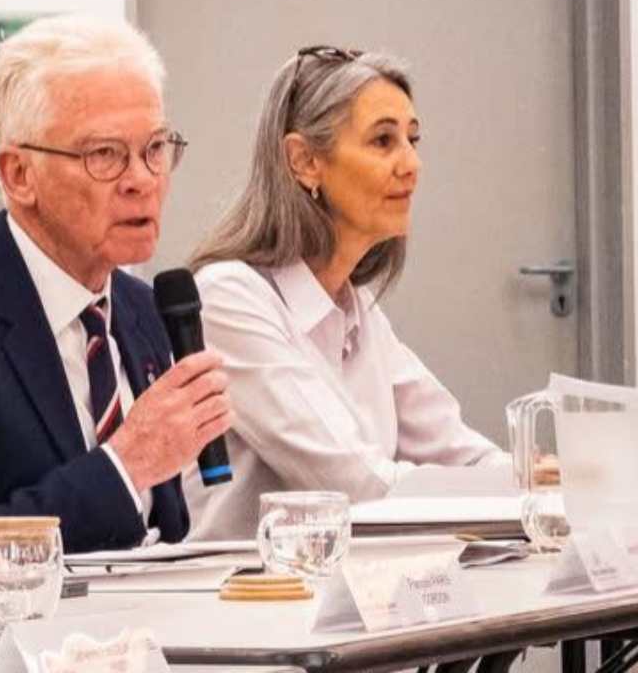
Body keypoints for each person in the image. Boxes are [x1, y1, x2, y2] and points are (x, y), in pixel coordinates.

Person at [0, 15, 233, 553]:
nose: (142, 180)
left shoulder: (143, 309)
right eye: (104, 154)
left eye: (155, 148)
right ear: (17, 175)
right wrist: (123, 466)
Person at [183, 47, 509, 541]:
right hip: (237, 597)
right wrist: (521, 497)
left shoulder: (356, 308)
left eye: (413, 139)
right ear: (305, 161)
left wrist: (542, 481)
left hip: (330, 588)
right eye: (383, 140)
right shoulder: (229, 298)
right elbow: (357, 487)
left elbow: (459, 450)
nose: (412, 164)